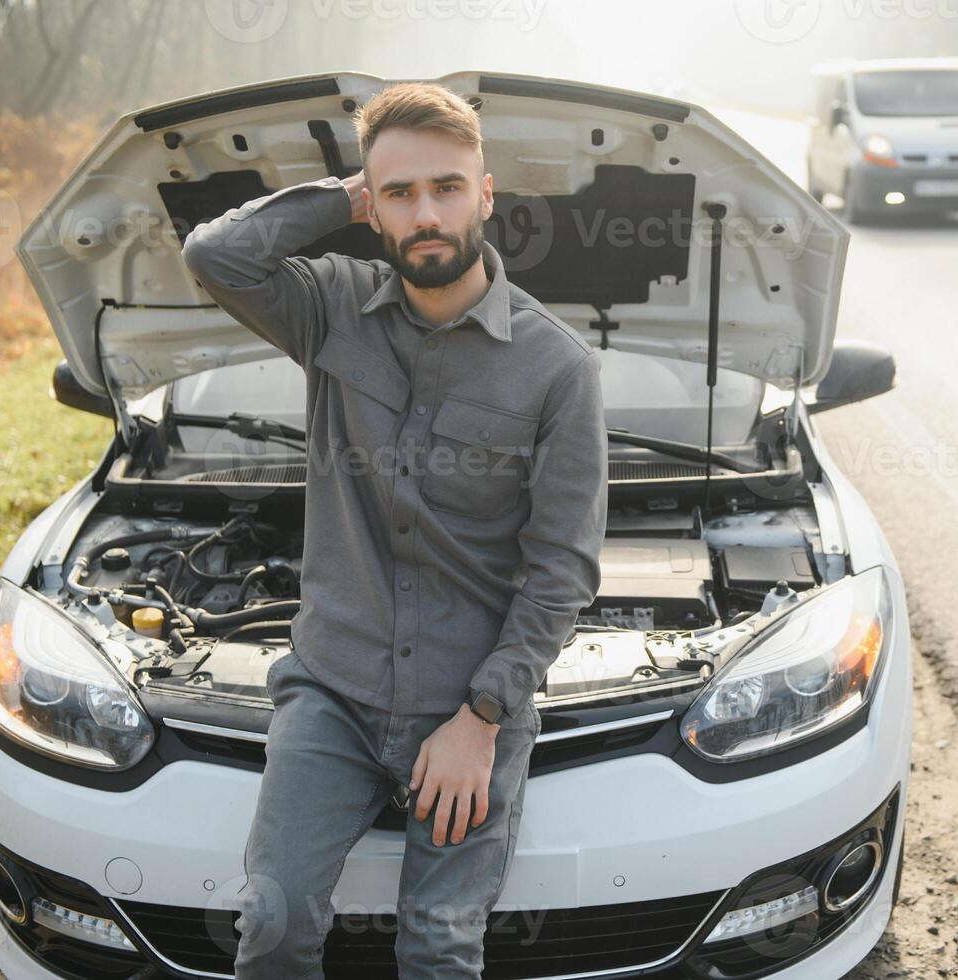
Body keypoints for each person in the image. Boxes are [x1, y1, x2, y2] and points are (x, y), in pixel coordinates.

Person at [180, 81, 608, 978]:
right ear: (372, 208)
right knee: (270, 921)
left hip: (465, 701)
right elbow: (216, 255)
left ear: (485, 195)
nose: (427, 215)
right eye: (400, 194)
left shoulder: (558, 368)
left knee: (439, 945)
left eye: (447, 187)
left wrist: (482, 717)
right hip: (331, 691)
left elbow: (560, 570)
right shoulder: (329, 308)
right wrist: (342, 194)